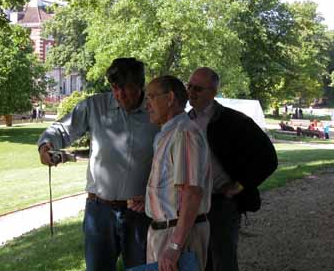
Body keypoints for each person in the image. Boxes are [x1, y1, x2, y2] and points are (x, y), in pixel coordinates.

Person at [37, 58, 159, 271]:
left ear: (140, 86)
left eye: (126, 88)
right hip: (99, 211)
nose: (119, 94)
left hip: (140, 214)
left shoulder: (156, 112)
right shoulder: (95, 106)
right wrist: (46, 145)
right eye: (114, 88)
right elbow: (61, 129)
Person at [187, 67, 278, 271]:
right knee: (197, 260)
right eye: (189, 86)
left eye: (198, 89)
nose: (191, 92)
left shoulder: (235, 121)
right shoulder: (184, 121)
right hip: (191, 203)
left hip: (221, 204)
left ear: (213, 92)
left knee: (223, 261)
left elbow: (268, 159)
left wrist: (239, 185)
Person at [144, 75, 212, 271]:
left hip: (178, 235)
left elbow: (192, 192)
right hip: (164, 232)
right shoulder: (168, 133)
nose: (147, 105)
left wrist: (175, 246)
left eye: (151, 97)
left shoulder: (184, 133)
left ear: (170, 98)